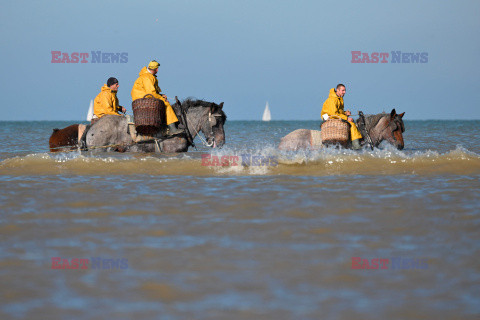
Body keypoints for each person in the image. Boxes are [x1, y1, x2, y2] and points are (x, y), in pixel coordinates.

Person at [131, 60, 182, 135]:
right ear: (153, 69)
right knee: (166, 104)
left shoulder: (147, 76)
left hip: (142, 97)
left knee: (163, 101)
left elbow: (151, 91)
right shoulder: (147, 77)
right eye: (156, 69)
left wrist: (161, 95)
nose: (157, 70)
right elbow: (151, 93)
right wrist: (162, 98)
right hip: (143, 98)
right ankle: (172, 129)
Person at [321, 84, 363, 149]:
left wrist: (345, 113)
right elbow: (333, 113)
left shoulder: (339, 98)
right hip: (329, 117)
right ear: (337, 90)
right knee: (351, 124)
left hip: (334, 116)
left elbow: (338, 112)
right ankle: (356, 146)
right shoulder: (333, 99)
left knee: (351, 122)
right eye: (343, 90)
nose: (344, 92)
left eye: (345, 90)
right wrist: (347, 118)